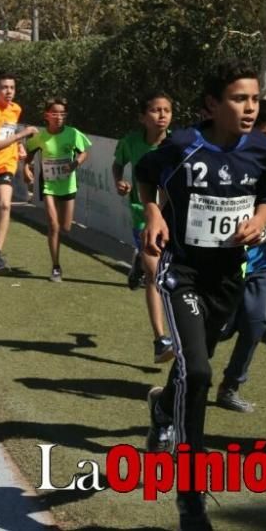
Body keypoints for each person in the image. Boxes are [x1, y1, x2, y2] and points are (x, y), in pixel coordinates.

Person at [136, 60, 266, 530]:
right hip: (182, 272)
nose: (249, 107)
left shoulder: (263, 149)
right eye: (238, 99)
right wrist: (154, 214)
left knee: (192, 370)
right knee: (197, 372)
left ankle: (162, 407)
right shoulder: (183, 144)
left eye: (254, 99)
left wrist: (262, 219)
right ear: (212, 104)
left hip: (227, 280)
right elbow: (144, 172)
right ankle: (191, 495)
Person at [215, 100, 266, 413]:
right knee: (218, 330)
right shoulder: (231, 162)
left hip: (262, 262)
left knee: (255, 324)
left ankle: (231, 385)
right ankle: (188, 376)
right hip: (227, 262)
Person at [113, 91, 175, 363]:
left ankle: (138, 261)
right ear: (142, 117)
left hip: (172, 219)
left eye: (167, 110)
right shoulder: (130, 142)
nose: (162, 115)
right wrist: (120, 182)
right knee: (156, 275)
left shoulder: (178, 145)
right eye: (155, 110)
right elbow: (118, 165)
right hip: (143, 216)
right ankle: (161, 340)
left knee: (166, 275)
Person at [24, 97, 91, 282]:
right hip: (49, 186)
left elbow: (85, 151)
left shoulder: (73, 133)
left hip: (68, 185)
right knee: (53, 226)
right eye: (55, 113)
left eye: (62, 113)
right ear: (47, 115)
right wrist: (25, 168)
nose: (59, 117)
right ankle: (55, 266)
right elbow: (28, 153)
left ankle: (57, 255)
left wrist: (75, 163)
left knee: (66, 228)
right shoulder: (41, 137)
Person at [0, 71, 38, 274]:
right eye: (4, 88)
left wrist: (20, 145)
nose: (9, 92)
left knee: (5, 205)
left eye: (12, 88)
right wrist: (22, 135)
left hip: (6, 164)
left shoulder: (15, 109)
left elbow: (10, 134)